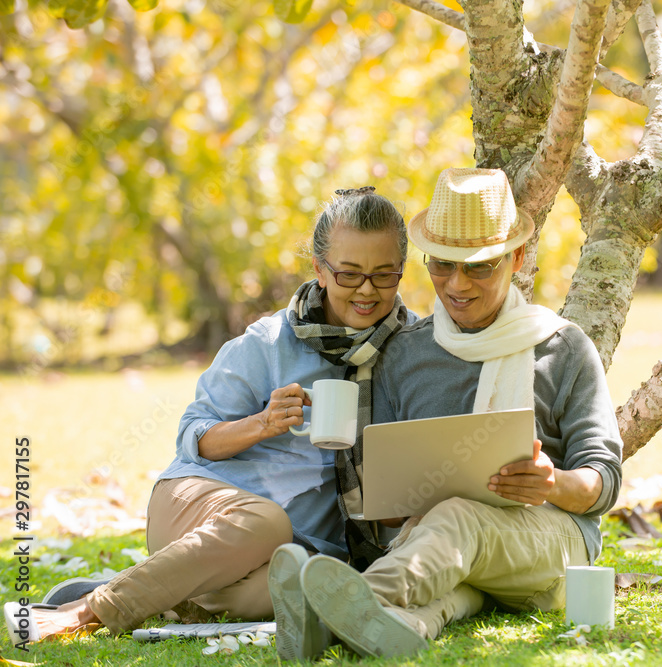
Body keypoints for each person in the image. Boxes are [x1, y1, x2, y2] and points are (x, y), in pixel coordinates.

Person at [4, 187, 417, 648]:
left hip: (300, 549)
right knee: (266, 523)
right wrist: (261, 423)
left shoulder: (413, 349)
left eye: (384, 275)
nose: (366, 290)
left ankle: (161, 587)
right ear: (320, 270)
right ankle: (86, 610)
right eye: (349, 274)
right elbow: (194, 436)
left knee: (297, 585)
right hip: (200, 505)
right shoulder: (268, 342)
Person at [268, 168, 623, 660]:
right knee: (446, 589)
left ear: (517, 258)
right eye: (442, 264)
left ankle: (335, 602)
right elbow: (386, 505)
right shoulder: (403, 354)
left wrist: (552, 483)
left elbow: (603, 481)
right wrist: (394, 496)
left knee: (457, 518)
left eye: (479, 266)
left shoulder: (562, 348)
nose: (457, 284)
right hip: (448, 555)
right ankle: (372, 628)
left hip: (550, 547)